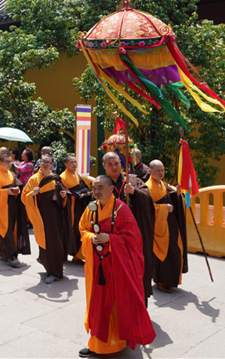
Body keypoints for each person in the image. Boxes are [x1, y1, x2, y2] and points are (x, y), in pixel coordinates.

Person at [78, 175, 156, 357]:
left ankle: (118, 341)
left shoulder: (122, 209)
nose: (96, 192)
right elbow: (83, 229)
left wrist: (110, 238)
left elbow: (134, 238)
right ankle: (97, 343)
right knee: (96, 304)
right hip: (96, 266)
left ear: (111, 189)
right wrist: (91, 237)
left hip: (117, 266)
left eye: (100, 188)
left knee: (115, 304)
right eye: (94, 188)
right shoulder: (91, 208)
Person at [101, 151, 155, 303]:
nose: (114, 167)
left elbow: (148, 198)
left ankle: (138, 305)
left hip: (132, 236)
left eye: (116, 163)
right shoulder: (101, 183)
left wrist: (134, 192)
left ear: (121, 163)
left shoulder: (132, 180)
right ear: (104, 166)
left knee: (136, 269)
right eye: (110, 164)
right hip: (111, 236)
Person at [22, 154, 69, 283]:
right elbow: (24, 197)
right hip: (41, 216)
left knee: (55, 242)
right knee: (44, 241)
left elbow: (62, 196)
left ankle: (55, 270)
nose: (45, 164)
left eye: (48, 162)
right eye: (43, 161)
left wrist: (63, 196)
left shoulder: (55, 179)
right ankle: (50, 269)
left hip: (55, 216)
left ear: (52, 164)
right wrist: (33, 193)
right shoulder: (33, 179)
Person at [146, 160, 188, 293]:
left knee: (175, 250)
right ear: (150, 171)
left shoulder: (163, 185)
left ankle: (171, 280)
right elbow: (147, 208)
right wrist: (164, 208)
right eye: (158, 170)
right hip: (160, 226)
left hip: (170, 224)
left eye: (162, 170)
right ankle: (161, 281)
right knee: (163, 253)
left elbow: (170, 198)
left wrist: (177, 194)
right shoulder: (147, 187)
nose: (161, 173)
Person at [0, 153, 31, 266]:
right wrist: (6, 192)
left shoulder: (11, 173)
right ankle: (11, 256)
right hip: (2, 205)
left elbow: (17, 184)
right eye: (6, 162)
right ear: (0, 162)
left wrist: (18, 189)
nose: (9, 164)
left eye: (10, 162)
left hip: (12, 204)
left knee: (11, 229)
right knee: (5, 229)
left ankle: (3, 254)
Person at [60, 155, 92, 262]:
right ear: (66, 164)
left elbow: (83, 187)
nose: (74, 164)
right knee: (71, 230)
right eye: (71, 162)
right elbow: (63, 192)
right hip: (70, 209)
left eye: (75, 162)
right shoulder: (62, 177)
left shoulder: (77, 175)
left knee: (79, 229)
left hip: (79, 207)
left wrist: (86, 193)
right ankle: (67, 254)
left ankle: (77, 255)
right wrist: (75, 194)